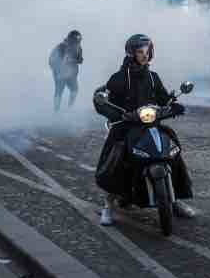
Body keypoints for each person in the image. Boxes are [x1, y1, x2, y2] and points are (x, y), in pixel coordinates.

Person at [93, 34, 195, 226]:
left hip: (149, 123)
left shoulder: (152, 77)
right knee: (118, 155)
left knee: (172, 147)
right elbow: (102, 100)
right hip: (127, 125)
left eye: (147, 52)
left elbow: (163, 98)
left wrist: (173, 105)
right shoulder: (119, 78)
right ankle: (108, 204)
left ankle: (175, 199)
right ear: (132, 54)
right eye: (140, 52)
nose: (144, 56)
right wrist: (117, 114)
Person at [48, 30, 83, 112]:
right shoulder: (61, 47)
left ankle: (70, 108)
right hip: (60, 73)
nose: (77, 43)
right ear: (71, 39)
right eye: (75, 41)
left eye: (78, 41)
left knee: (74, 90)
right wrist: (57, 69)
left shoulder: (78, 48)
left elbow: (79, 59)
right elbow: (51, 60)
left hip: (71, 73)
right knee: (59, 91)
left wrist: (77, 60)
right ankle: (56, 111)